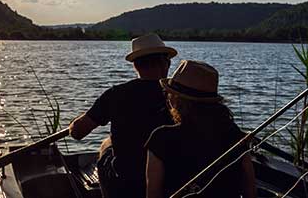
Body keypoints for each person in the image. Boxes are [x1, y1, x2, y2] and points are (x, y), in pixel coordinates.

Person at [69, 33, 177, 198]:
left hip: (126, 182)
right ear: (165, 63)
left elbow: (77, 133)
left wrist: (75, 123)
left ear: (136, 66)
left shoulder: (116, 94)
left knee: (106, 144)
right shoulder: (181, 98)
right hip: (172, 180)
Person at [145, 60, 256, 198]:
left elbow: (153, 194)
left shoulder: (161, 138)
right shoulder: (234, 135)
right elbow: (250, 192)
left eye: (169, 95)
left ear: (176, 101)